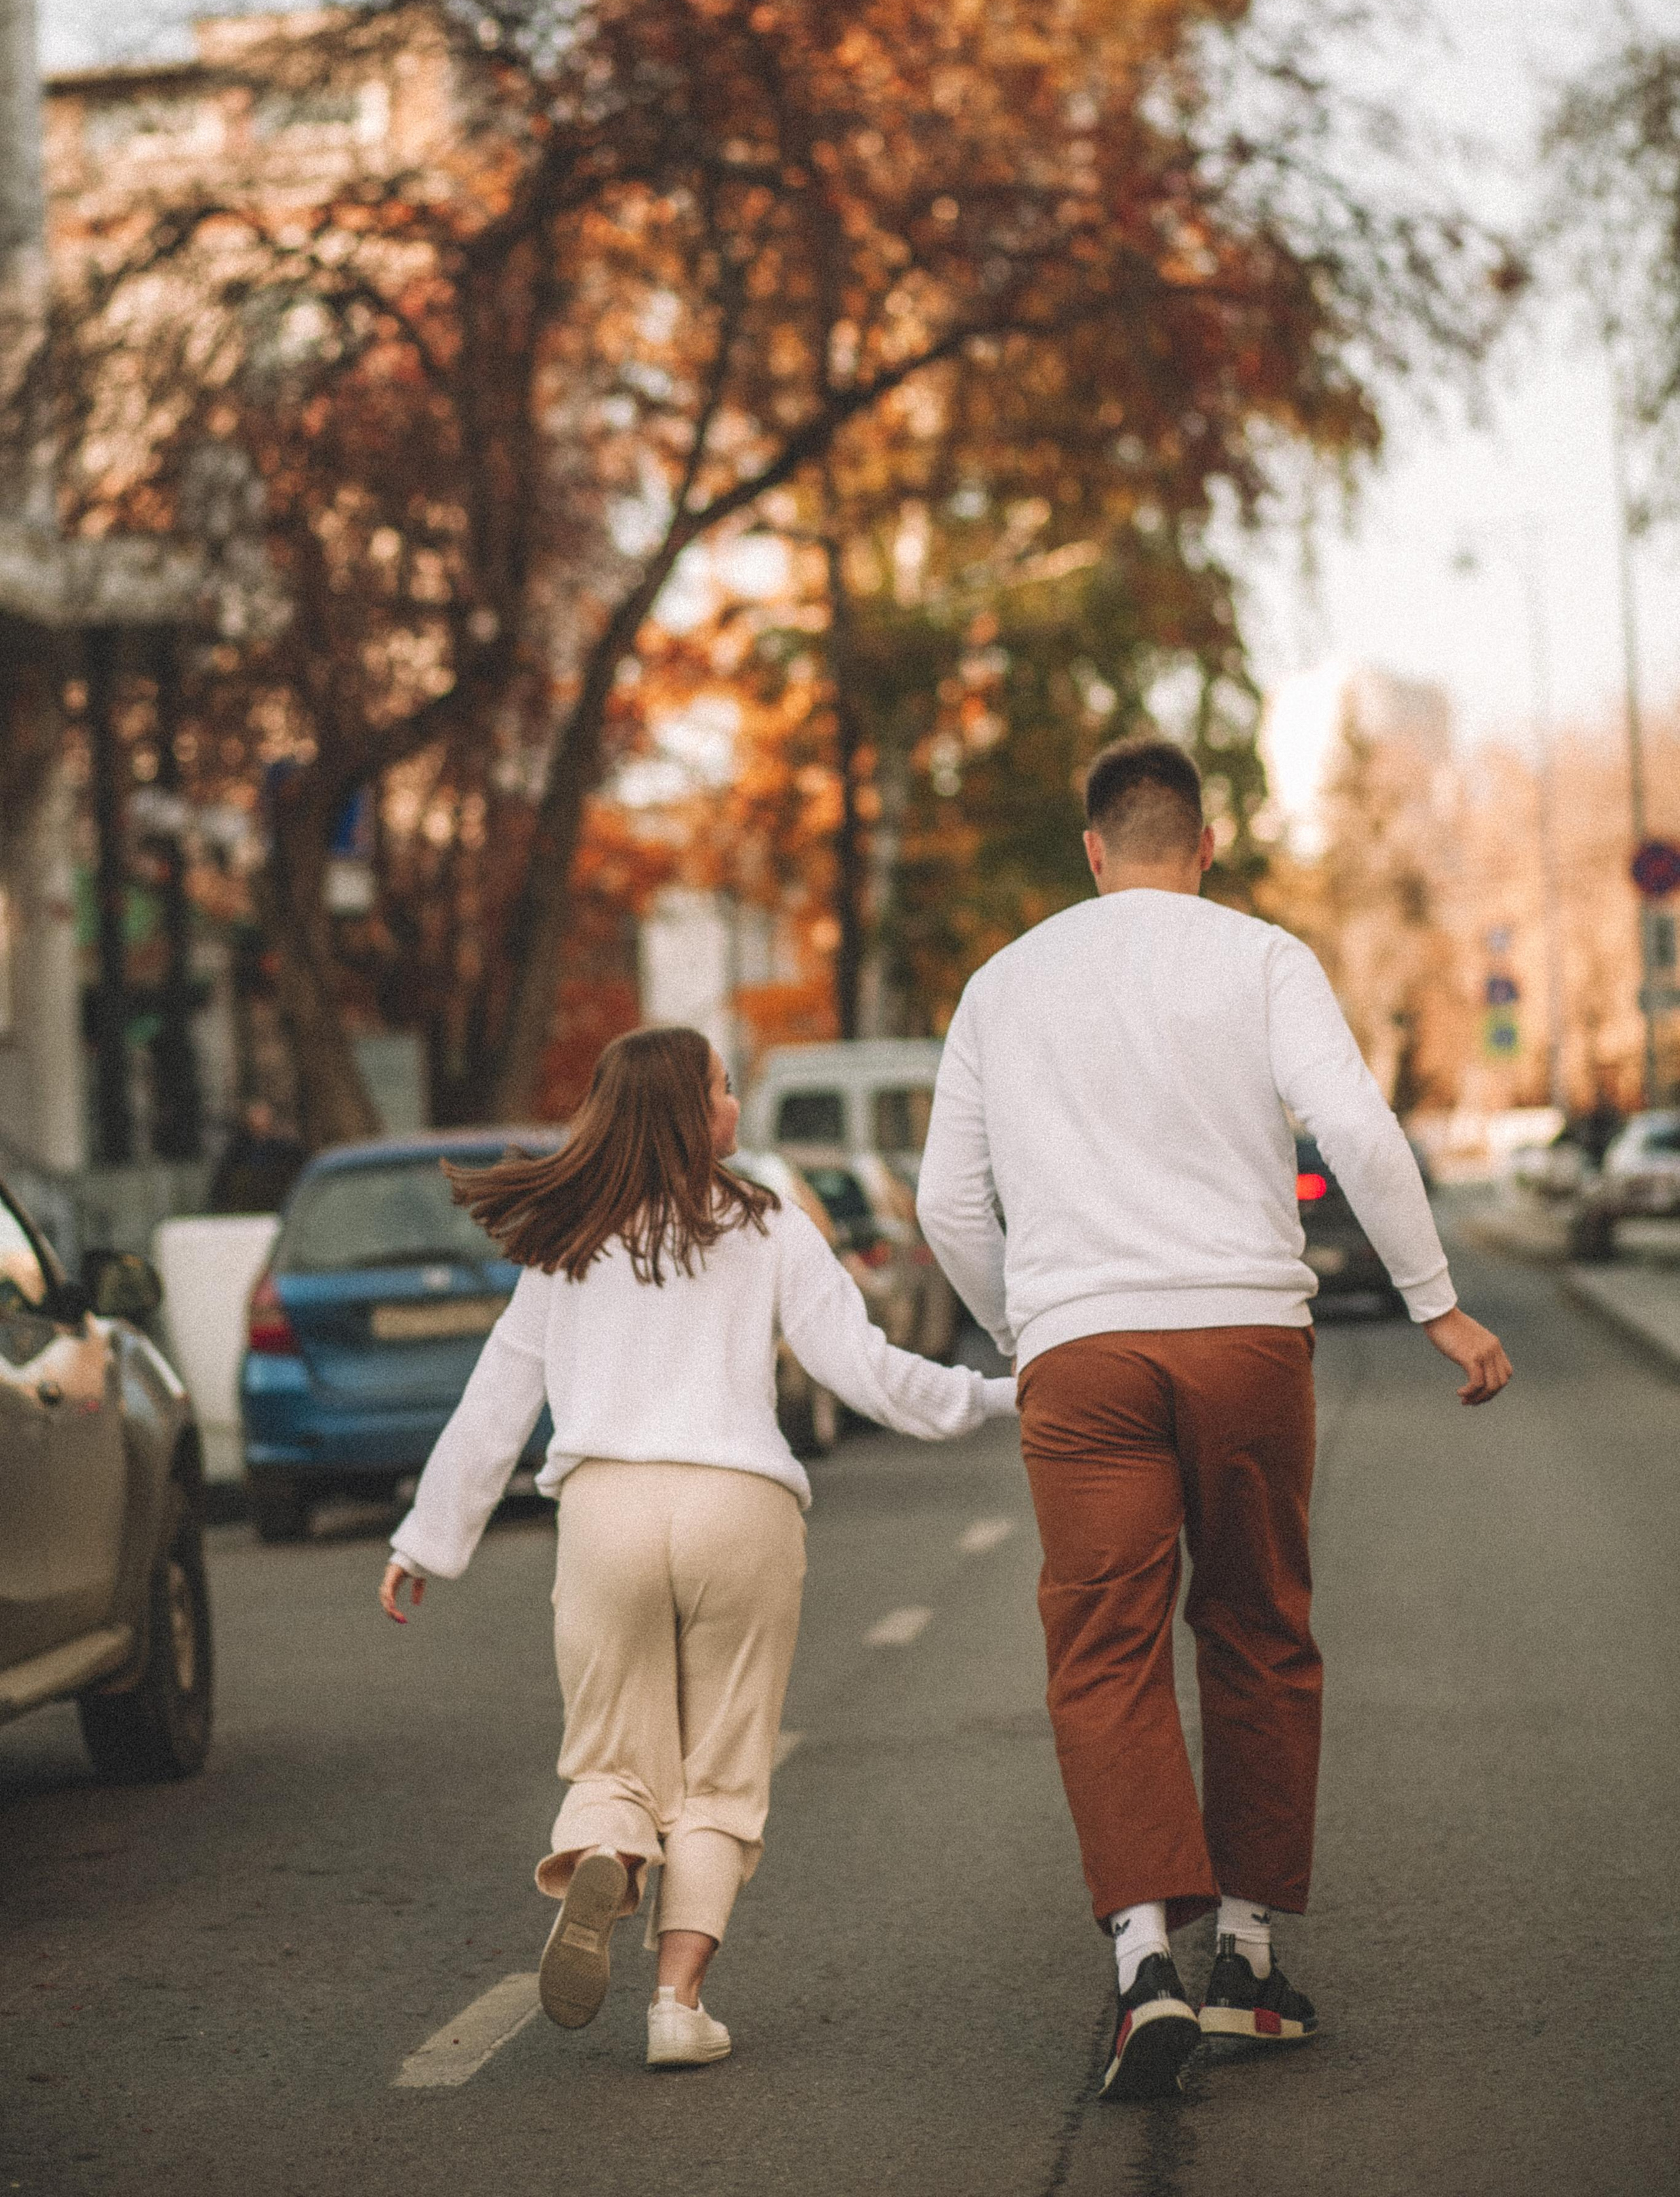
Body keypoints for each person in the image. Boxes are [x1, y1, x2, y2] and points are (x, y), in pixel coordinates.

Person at [915, 736, 1512, 2102]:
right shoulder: (1257, 958)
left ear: (1090, 850)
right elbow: (1355, 1130)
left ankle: (1143, 1972)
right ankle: (1245, 1963)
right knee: (1256, 1627)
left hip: (1080, 1351)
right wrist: (1431, 1302)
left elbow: (946, 1204)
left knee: (1101, 1649)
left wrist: (1028, 1327)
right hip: (1244, 1335)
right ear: (1200, 847)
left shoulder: (1001, 986)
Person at [378, 1024, 1016, 2071]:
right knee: (722, 1770)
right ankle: (677, 2006)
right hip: (739, 1508)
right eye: (723, 1088)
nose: (733, 1104)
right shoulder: (766, 1226)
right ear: (688, 1109)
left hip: (606, 1511)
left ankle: (609, 1848)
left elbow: (497, 1401)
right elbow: (864, 1370)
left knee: (612, 1754)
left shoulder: (568, 1241)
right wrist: (998, 1394)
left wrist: (427, 1541)